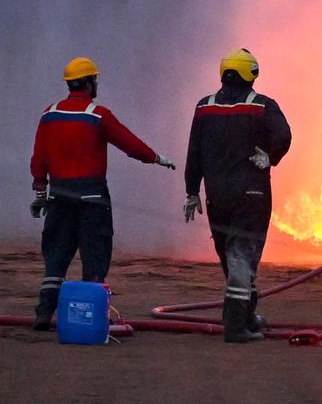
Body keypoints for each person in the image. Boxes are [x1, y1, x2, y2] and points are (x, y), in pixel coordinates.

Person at [29, 57, 175, 330]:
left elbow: (39, 159)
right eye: (94, 79)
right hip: (93, 199)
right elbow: (129, 144)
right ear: (87, 82)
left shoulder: (49, 114)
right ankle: (90, 316)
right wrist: (156, 157)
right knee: (95, 257)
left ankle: (43, 312)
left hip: (59, 197)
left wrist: (40, 190)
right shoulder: (98, 115)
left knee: (56, 257)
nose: (96, 84)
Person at [184, 49, 292, 343]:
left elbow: (194, 152)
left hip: (216, 196)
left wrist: (191, 191)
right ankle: (235, 326)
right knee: (243, 257)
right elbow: (284, 135)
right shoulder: (262, 106)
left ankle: (246, 315)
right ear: (251, 74)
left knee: (230, 258)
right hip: (251, 194)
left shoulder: (204, 107)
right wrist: (270, 156)